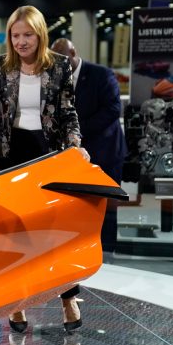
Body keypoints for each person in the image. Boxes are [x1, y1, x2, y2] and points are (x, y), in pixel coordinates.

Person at [0, 5, 90, 334]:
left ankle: (68, 298)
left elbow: (69, 112)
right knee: (17, 236)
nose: (21, 41)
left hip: (49, 154)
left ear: (40, 35)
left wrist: (75, 146)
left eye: (27, 34)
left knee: (56, 234)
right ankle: (17, 303)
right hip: (9, 156)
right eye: (15, 35)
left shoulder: (59, 68)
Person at [51, 38, 127, 253]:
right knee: (78, 205)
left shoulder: (101, 74)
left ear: (74, 53)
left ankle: (108, 251)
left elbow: (113, 109)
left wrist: (75, 131)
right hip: (73, 156)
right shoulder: (56, 78)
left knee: (106, 206)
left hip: (106, 152)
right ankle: (82, 250)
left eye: (63, 60)